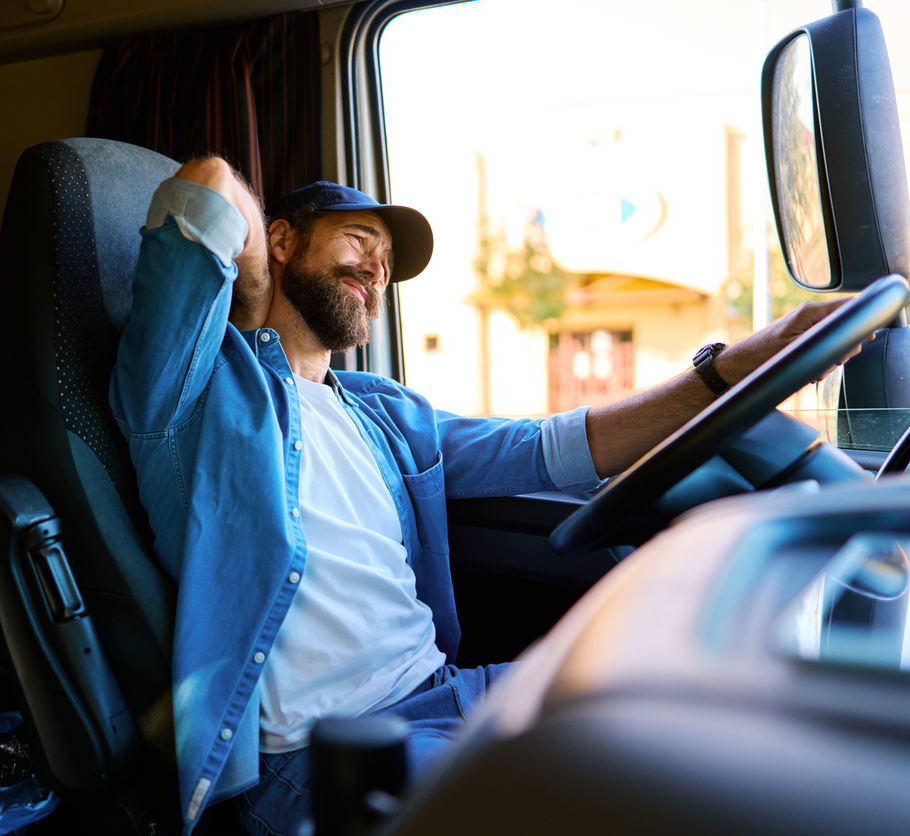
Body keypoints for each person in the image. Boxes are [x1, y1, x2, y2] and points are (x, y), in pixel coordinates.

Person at [108, 156, 855, 836]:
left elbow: (549, 449)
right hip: (320, 754)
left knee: (718, 729)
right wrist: (254, 293)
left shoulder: (384, 413)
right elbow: (205, 183)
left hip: (451, 695)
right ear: (279, 240)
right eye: (359, 238)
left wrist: (744, 362)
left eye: (387, 260)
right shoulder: (191, 390)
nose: (377, 265)